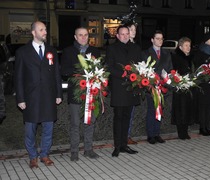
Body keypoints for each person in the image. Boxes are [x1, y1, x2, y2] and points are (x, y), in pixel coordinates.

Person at [15, 21, 62, 168]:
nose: (45, 32)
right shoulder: (22, 52)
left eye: (46, 30)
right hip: (31, 97)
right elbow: (19, 77)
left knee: (48, 127)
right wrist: (21, 98)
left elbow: (56, 74)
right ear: (33, 33)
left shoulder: (51, 51)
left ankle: (44, 155)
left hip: (48, 96)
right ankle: (32, 156)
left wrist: (58, 94)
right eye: (41, 30)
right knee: (30, 129)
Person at [60, 27, 101, 161]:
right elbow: (64, 71)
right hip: (76, 94)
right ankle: (74, 151)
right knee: (75, 124)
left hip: (91, 94)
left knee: (90, 122)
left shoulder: (94, 51)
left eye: (85, 35)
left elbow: (100, 70)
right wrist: (81, 70)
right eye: (80, 35)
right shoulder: (68, 51)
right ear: (75, 37)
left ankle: (88, 149)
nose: (83, 37)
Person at [105, 25, 141, 157]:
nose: (125, 36)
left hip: (132, 88)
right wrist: (124, 74)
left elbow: (140, 65)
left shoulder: (136, 48)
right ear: (118, 36)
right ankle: (117, 146)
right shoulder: (112, 48)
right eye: (122, 34)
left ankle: (124, 144)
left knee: (127, 117)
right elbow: (109, 67)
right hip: (119, 87)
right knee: (118, 117)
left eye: (127, 34)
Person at [142, 30, 173, 144]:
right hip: (152, 87)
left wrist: (168, 80)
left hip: (163, 86)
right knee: (152, 110)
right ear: (152, 40)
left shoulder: (166, 53)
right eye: (157, 38)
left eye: (161, 39)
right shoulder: (145, 53)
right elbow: (144, 70)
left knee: (160, 110)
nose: (160, 41)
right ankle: (150, 135)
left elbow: (170, 69)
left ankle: (157, 133)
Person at [192, 33, 210, 136]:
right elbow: (197, 67)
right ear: (206, 40)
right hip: (203, 83)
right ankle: (202, 127)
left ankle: (207, 127)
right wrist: (205, 72)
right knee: (203, 106)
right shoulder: (199, 52)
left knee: (208, 107)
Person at [171, 37, 195, 140]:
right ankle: (181, 132)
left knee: (187, 109)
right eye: (186, 45)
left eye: (189, 46)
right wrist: (180, 80)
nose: (188, 48)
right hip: (179, 88)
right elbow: (173, 72)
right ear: (180, 47)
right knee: (180, 110)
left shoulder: (190, 58)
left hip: (188, 87)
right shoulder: (175, 57)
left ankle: (185, 131)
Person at [125, 22, 138, 145]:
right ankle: (124, 136)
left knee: (131, 112)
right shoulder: (124, 46)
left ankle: (128, 135)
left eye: (135, 29)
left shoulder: (135, 46)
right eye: (131, 29)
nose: (134, 32)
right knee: (124, 113)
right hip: (125, 84)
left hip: (135, 83)